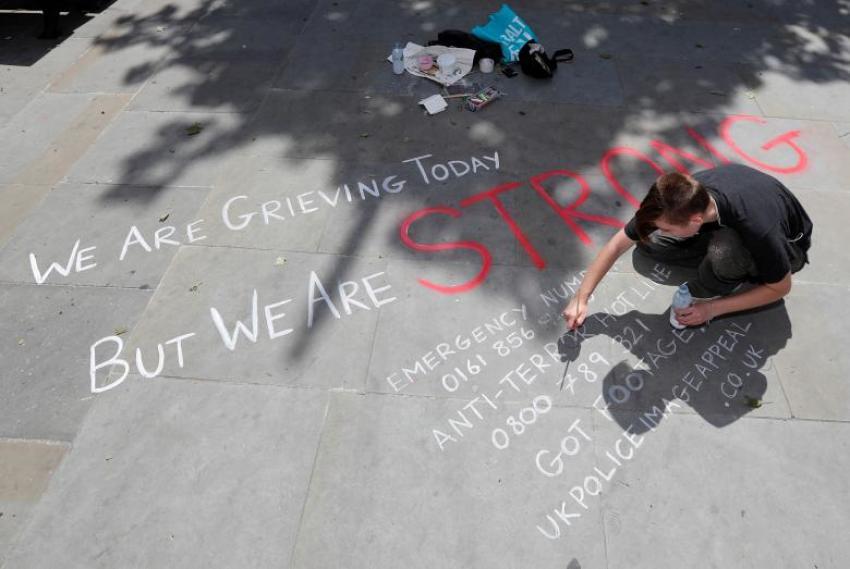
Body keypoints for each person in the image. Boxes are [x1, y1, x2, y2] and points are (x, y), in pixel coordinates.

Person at [562, 163, 813, 329]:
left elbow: (780, 287)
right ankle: (715, 259)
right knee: (651, 243)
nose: (661, 229)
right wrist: (581, 297)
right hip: (722, 224)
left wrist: (712, 309)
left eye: (668, 227)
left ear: (696, 220)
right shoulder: (683, 196)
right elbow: (617, 244)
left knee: (723, 251)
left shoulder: (758, 228)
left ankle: (726, 277)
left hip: (788, 249)